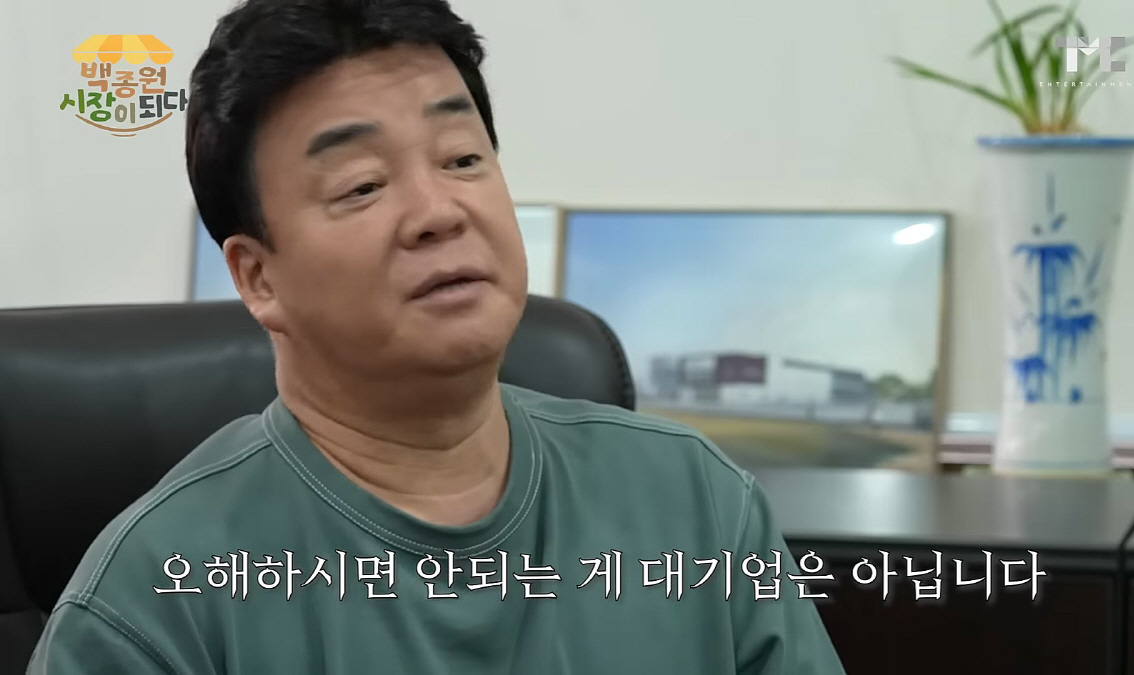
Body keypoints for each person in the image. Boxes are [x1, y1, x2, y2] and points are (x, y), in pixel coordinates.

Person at [28, 0, 845, 672]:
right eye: (362, 184)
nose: (438, 211)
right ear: (258, 276)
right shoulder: (153, 604)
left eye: (461, 159)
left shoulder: (694, 502)